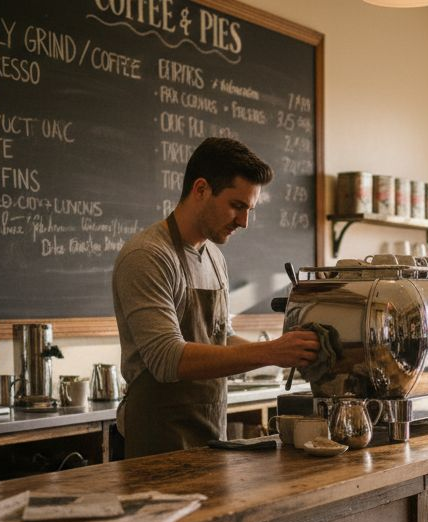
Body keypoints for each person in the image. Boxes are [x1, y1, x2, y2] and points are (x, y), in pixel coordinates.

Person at [112, 138, 319, 458]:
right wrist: (270, 351)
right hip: (156, 447)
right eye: (237, 206)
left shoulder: (213, 258)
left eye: (249, 210)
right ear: (201, 189)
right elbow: (168, 359)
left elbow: (221, 338)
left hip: (211, 437)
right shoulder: (148, 255)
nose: (244, 222)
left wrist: (284, 353)